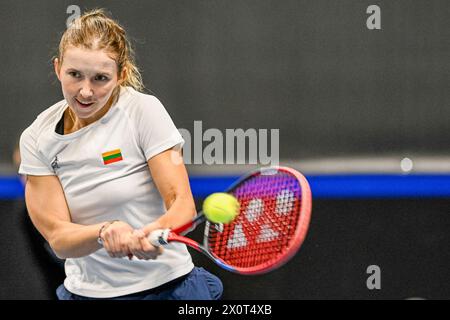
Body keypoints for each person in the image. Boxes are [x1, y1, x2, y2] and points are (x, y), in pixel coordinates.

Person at [18, 9, 222, 300]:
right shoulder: (37, 139)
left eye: (100, 78)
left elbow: (181, 204)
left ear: (121, 75)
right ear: (57, 68)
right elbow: (59, 239)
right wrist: (105, 231)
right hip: (86, 294)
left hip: (170, 288)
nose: (85, 92)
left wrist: (151, 231)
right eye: (74, 75)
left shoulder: (143, 111)